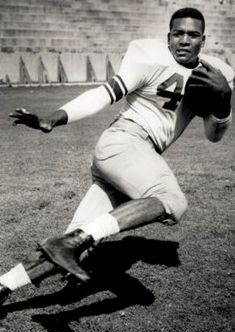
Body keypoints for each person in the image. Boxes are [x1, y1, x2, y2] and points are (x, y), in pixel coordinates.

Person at [0, 7, 234, 304]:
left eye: (192, 35)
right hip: (124, 143)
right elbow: (105, 92)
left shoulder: (215, 75)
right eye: (178, 34)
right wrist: (55, 118)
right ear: (168, 37)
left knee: (75, 245)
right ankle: (74, 241)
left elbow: (214, 136)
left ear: (204, 39)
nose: (184, 40)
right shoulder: (149, 57)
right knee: (173, 200)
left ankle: (4, 284)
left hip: (135, 160)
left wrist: (224, 101)